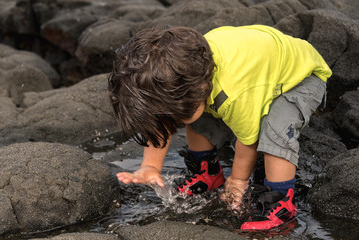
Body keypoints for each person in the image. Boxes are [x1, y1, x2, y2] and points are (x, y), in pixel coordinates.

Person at [108, 25, 332, 231]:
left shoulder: (235, 95)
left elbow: (248, 140)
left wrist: (237, 182)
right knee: (193, 115)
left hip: (300, 78)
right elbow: (162, 118)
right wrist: (150, 166)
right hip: (259, 64)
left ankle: (280, 201)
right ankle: (206, 173)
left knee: (274, 129)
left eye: (170, 119)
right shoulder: (181, 71)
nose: (169, 125)